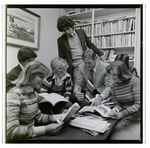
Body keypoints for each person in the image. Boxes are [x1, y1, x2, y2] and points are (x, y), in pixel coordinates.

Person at [7, 61, 64, 141]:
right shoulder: (14, 95)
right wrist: (45, 129)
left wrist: (55, 117)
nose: (44, 81)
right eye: (41, 77)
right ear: (30, 75)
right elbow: (11, 131)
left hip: (31, 135)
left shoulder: (32, 93)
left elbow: (38, 117)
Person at [57, 15, 103, 82]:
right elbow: (61, 57)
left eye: (67, 28)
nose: (66, 31)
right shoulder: (61, 40)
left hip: (86, 63)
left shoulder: (81, 32)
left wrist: (101, 54)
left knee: (92, 83)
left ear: (71, 26)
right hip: (75, 67)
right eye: (64, 30)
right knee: (78, 85)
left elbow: (89, 44)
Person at [105, 61, 140, 140]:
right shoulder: (113, 85)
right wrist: (116, 109)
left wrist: (121, 114)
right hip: (124, 119)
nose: (111, 77)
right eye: (110, 74)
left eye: (114, 75)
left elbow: (139, 104)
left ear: (122, 74)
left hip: (138, 120)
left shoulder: (134, 81)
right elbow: (117, 103)